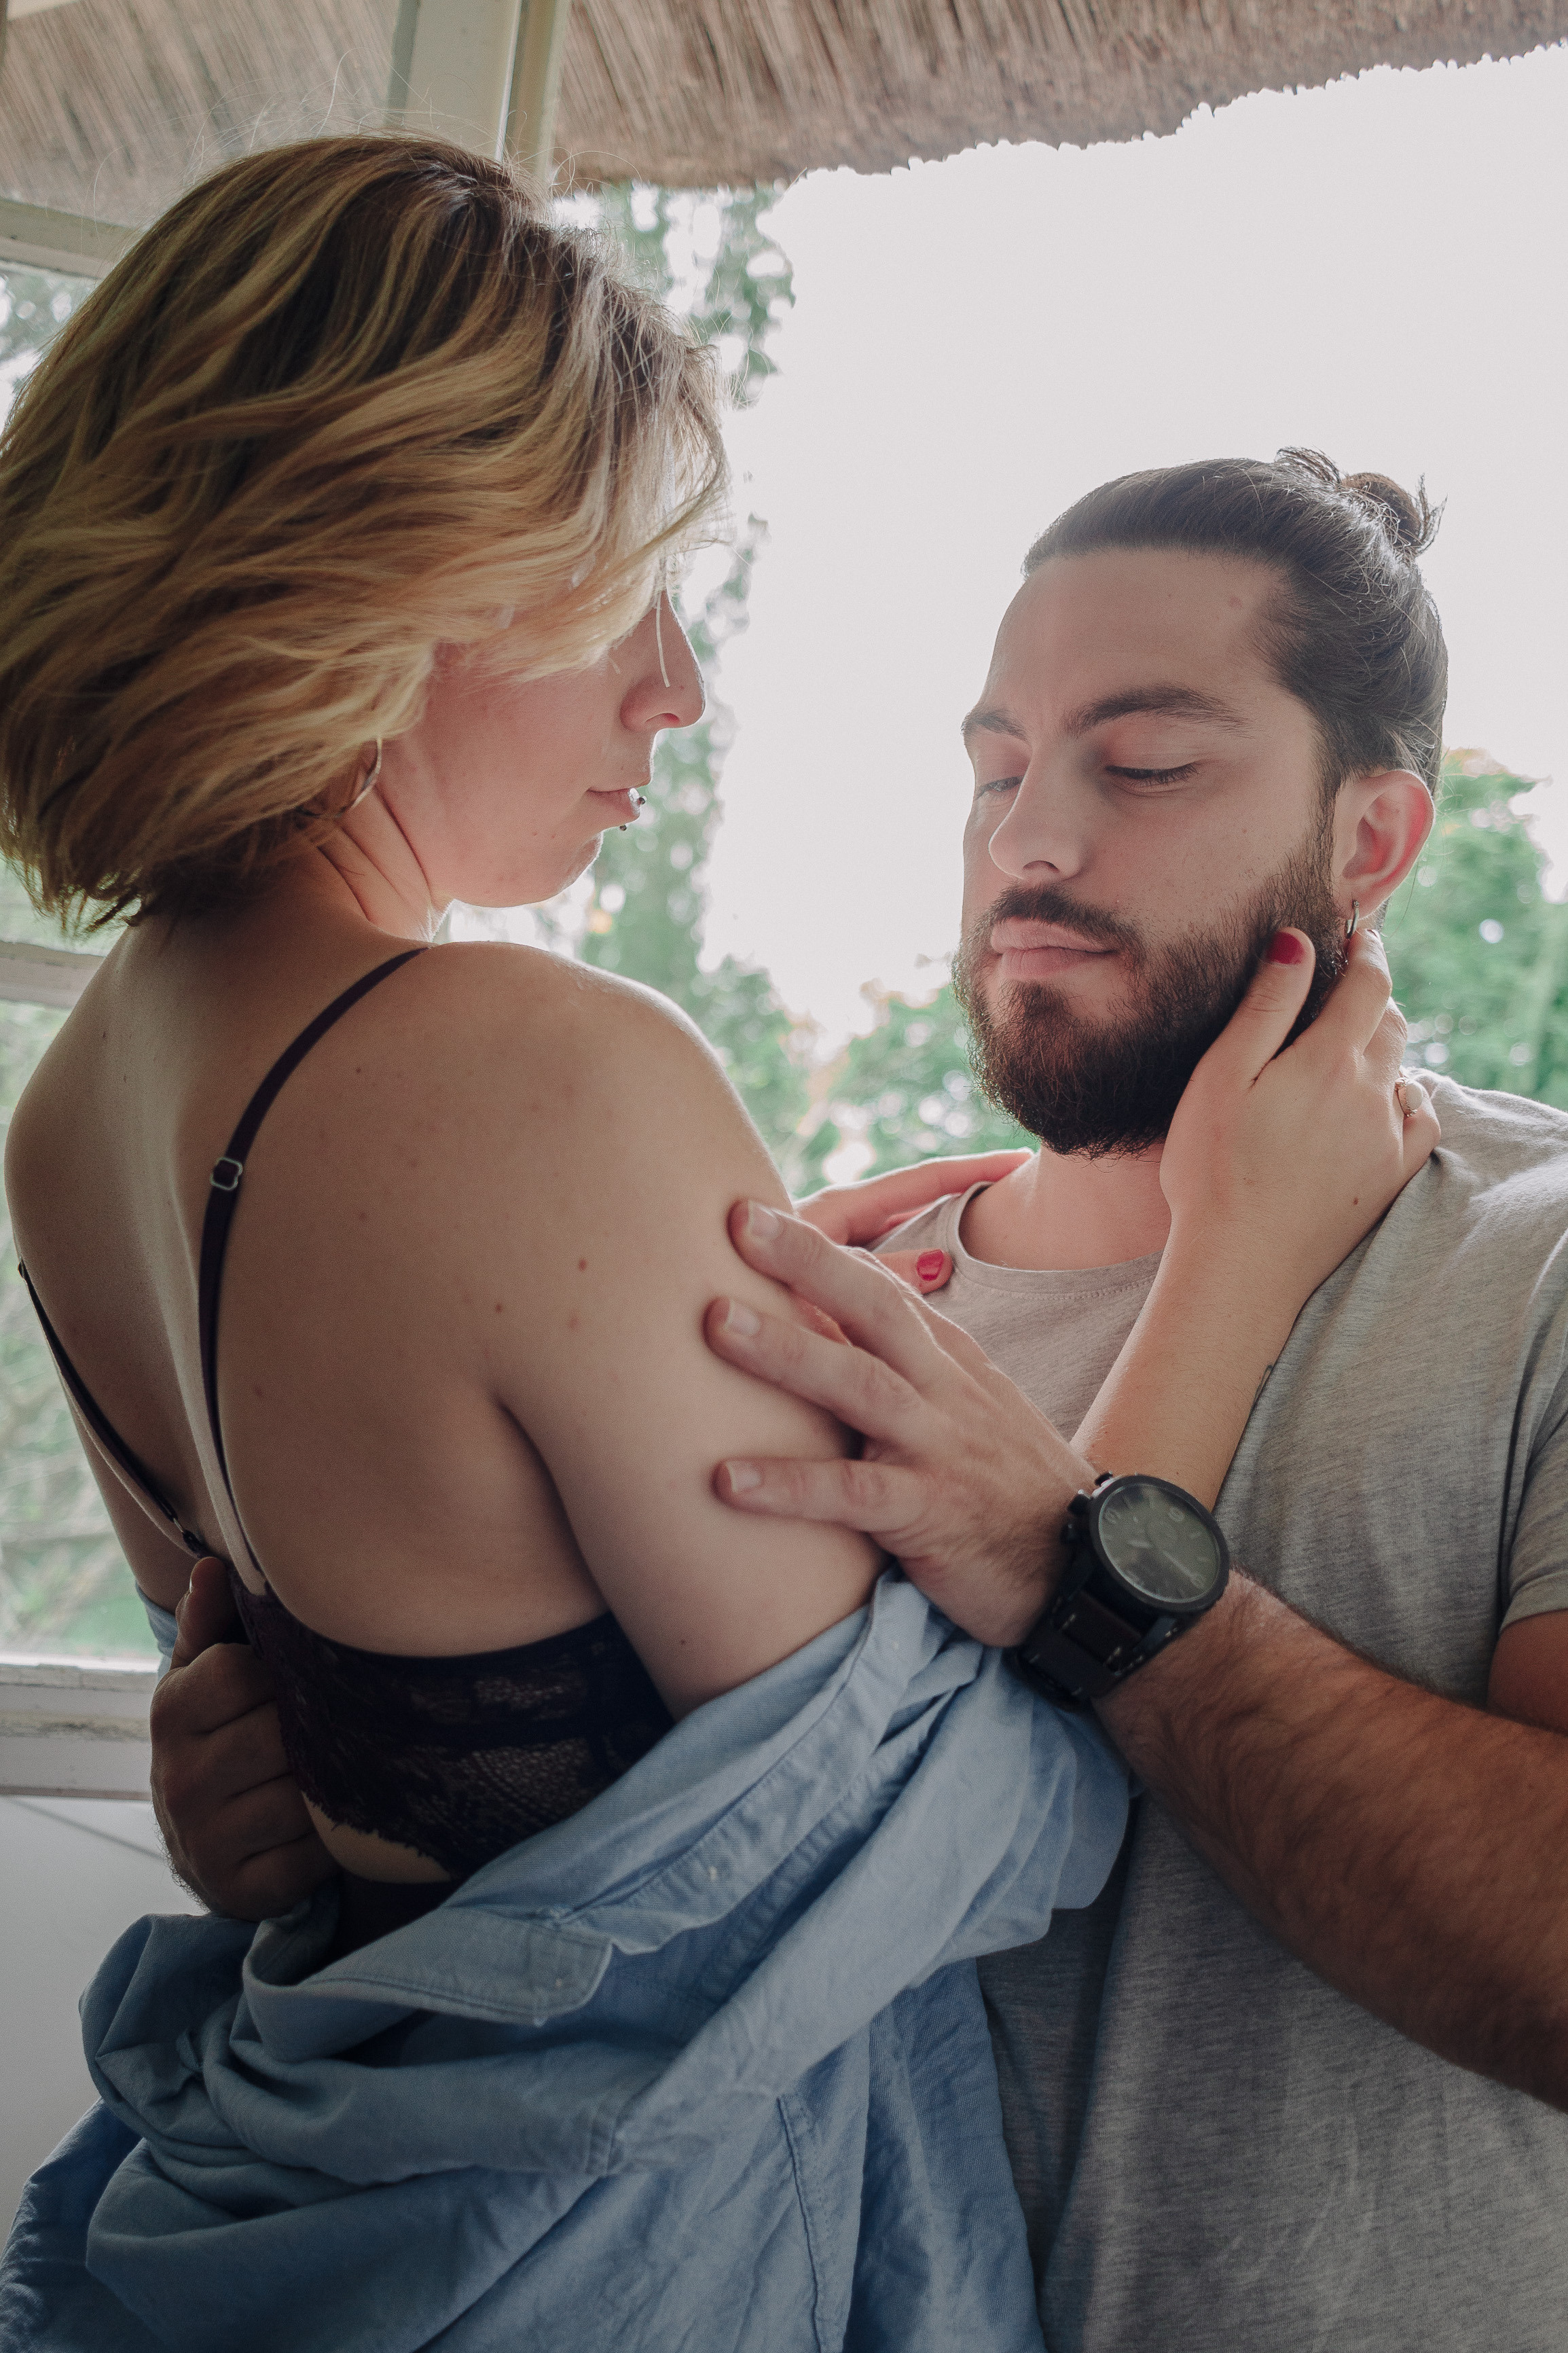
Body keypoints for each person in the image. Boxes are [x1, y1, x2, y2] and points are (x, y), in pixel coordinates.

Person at [0, 139, 1429, 2348]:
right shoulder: (531, 1067)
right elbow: (946, 1827)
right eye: (628, 590)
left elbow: (304, 1754)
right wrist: (1236, 1259)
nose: (674, 686)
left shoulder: (69, 1109)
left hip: (280, 2219)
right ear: (404, 567)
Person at [699, 454, 1568, 2352]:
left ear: (1372, 839)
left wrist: (1085, 1569)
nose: (1030, 842)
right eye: (996, 768)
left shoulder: (1551, 1266)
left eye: (1147, 765)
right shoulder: (838, 1306)